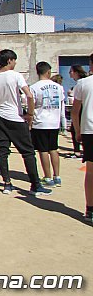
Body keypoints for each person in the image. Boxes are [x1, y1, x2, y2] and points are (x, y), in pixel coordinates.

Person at [0, 49, 51, 196]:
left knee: (2, 152)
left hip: (1, 118)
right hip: (15, 118)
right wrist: (29, 113)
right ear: (9, 60)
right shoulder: (16, 76)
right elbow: (29, 95)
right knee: (28, 152)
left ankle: (7, 184)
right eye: (14, 60)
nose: (15, 63)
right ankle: (35, 185)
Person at [29, 62, 65, 188]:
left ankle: (48, 176)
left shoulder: (34, 87)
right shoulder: (58, 87)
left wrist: (30, 120)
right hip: (54, 122)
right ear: (48, 72)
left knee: (43, 150)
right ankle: (57, 175)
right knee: (54, 149)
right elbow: (61, 104)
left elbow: (31, 105)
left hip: (41, 122)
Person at [71, 53, 93, 224]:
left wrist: (78, 131)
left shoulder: (83, 84)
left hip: (89, 130)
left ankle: (90, 209)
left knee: (91, 172)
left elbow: (75, 110)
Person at [67, 65, 87, 159]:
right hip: (81, 108)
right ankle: (78, 150)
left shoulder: (81, 83)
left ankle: (78, 151)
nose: (70, 73)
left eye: (71, 71)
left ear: (76, 72)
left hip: (81, 109)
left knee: (76, 129)